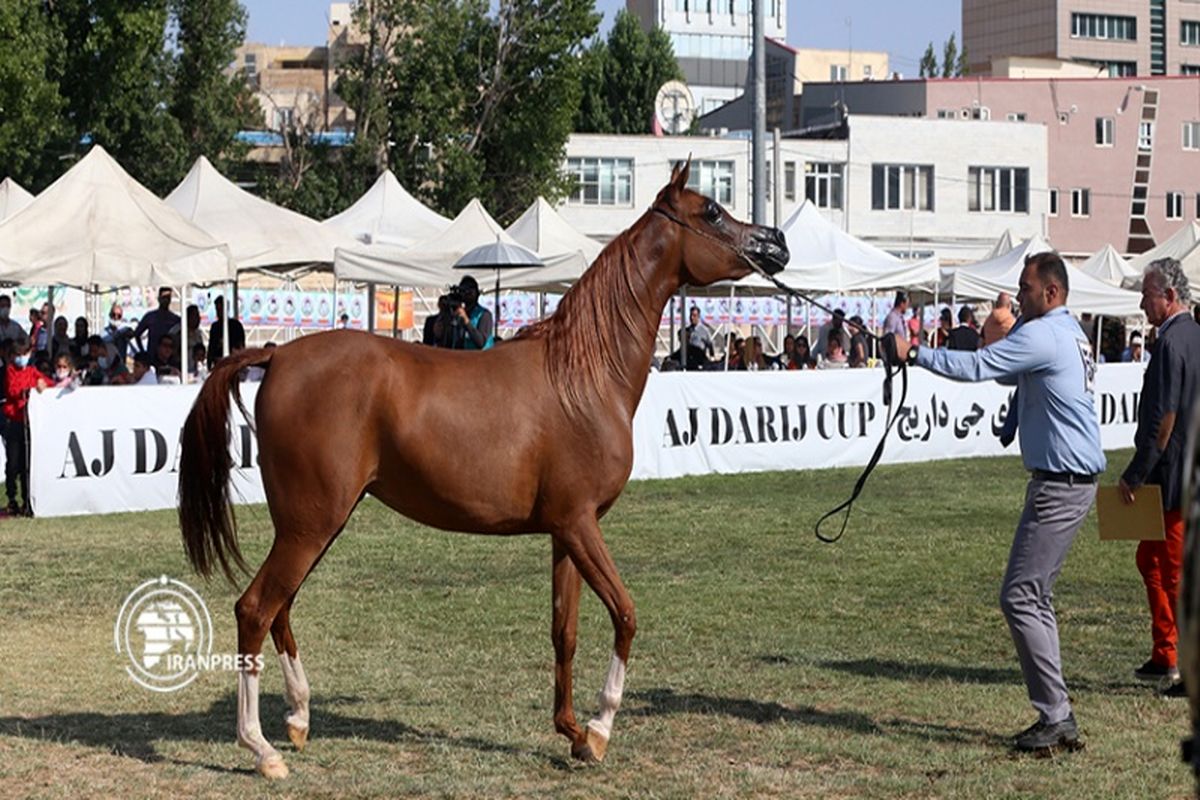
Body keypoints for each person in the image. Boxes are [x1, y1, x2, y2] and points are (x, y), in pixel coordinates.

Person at [891, 251, 1104, 753]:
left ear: (1051, 292)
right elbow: (1008, 372)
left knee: (1020, 597)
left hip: (1060, 483)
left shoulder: (1044, 333)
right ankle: (1057, 713)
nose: (1017, 296)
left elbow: (982, 366)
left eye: (1025, 289)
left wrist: (914, 352)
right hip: (1067, 480)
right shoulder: (1064, 331)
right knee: (1034, 597)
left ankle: (1057, 716)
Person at [1119, 258, 1200, 697]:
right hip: (1183, 472)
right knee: (1150, 561)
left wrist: (1136, 473)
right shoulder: (1193, 335)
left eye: (1146, 295)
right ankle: (1165, 654)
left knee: (1172, 572)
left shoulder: (1169, 343)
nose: (1141, 304)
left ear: (1168, 296)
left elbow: (1164, 421)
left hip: (1171, 477)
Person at [4, 336, 46, 515]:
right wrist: (29, 389)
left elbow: (47, 383)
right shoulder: (10, 371)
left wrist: (43, 384)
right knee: (13, 464)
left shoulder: (32, 371)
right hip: (14, 421)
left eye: (24, 353)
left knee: (27, 464)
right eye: (18, 354)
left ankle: (27, 498)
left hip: (29, 424)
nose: (21, 357)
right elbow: (12, 390)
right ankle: (11, 497)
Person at [134, 287, 180, 357]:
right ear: (159, 299)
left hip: (169, 358)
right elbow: (137, 334)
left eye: (168, 298)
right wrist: (142, 352)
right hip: (152, 356)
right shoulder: (150, 316)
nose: (166, 300)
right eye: (164, 298)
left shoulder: (175, 319)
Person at [452, 276, 493, 350]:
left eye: (469, 292)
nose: (465, 294)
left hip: (482, 355)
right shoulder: (459, 313)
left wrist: (466, 321)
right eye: (462, 291)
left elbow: (481, 342)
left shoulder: (484, 314)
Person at [208, 295, 246, 368]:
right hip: (218, 364)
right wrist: (210, 363)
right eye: (217, 310)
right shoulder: (215, 327)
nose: (219, 312)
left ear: (226, 309)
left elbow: (241, 346)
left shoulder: (236, 325)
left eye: (221, 309)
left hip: (233, 363)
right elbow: (211, 348)